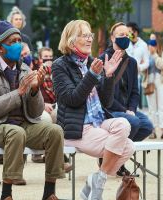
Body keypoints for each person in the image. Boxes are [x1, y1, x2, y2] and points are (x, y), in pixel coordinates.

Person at [0, 20, 65, 200]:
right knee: (16, 132)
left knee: (55, 131)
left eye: (19, 40)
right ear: (0, 48)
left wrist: (35, 90)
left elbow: (35, 113)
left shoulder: (25, 69)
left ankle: (49, 192)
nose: (18, 45)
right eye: (12, 41)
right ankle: (6, 195)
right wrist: (19, 93)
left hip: (22, 125)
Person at [52, 20, 135, 199]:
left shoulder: (91, 62)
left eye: (91, 35)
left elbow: (106, 101)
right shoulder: (60, 65)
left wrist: (109, 76)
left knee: (124, 127)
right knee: (125, 146)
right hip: (77, 128)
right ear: (71, 41)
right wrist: (92, 75)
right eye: (85, 35)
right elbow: (72, 99)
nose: (90, 39)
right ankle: (98, 182)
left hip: (97, 123)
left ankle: (97, 179)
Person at [100, 22, 153, 176]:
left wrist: (131, 109)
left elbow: (135, 92)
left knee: (147, 126)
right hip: (109, 109)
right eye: (121, 35)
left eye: (127, 35)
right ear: (112, 38)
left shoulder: (132, 62)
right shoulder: (103, 58)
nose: (125, 38)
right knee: (134, 122)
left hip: (126, 110)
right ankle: (116, 162)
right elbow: (104, 95)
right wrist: (126, 112)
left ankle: (110, 155)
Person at [144, 33, 163, 139]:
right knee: (151, 107)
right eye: (150, 40)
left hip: (161, 80)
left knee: (162, 106)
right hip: (149, 80)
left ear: (158, 41)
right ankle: (152, 130)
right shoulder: (146, 52)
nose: (151, 43)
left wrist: (154, 54)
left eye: (153, 40)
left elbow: (162, 65)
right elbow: (143, 67)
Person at [126, 22, 150, 109]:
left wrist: (139, 67)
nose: (127, 34)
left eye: (129, 31)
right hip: (124, 76)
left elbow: (147, 62)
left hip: (136, 77)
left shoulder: (143, 45)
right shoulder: (126, 42)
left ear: (135, 32)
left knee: (134, 100)